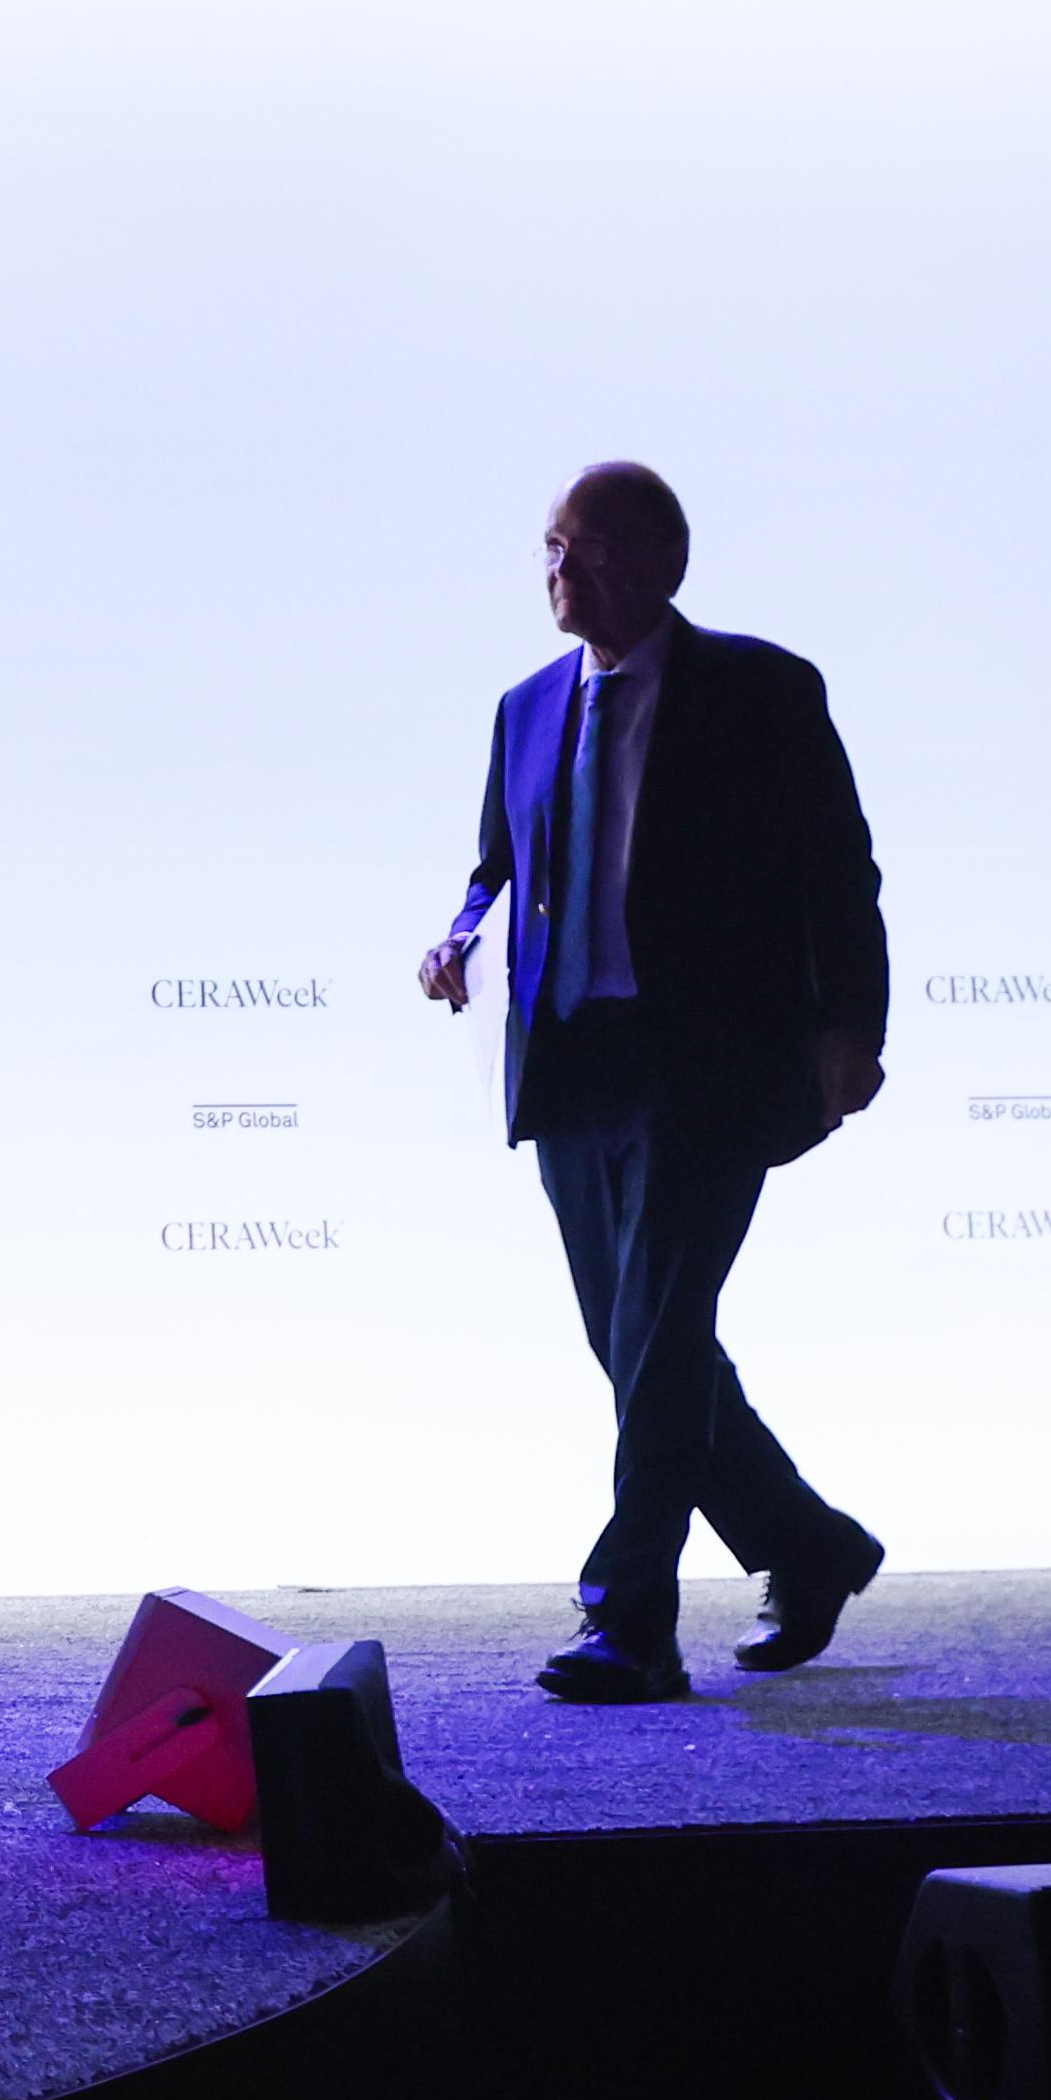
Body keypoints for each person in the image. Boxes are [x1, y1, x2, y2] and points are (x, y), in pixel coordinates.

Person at [419, 462, 896, 1703]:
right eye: (548, 545)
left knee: (662, 1328)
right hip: (570, 1062)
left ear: (650, 567)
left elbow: (839, 870)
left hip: (710, 1062)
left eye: (576, 550)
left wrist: (852, 1020)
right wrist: (455, 934)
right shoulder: (523, 706)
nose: (554, 572)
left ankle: (628, 1618)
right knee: (628, 1338)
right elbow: (493, 868)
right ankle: (806, 1542)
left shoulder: (761, 688)